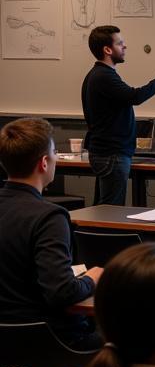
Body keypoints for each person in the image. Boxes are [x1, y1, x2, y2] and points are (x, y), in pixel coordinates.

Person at [0, 117, 102, 348]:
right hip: (48, 342)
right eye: (55, 152)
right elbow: (61, 292)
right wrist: (91, 279)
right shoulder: (49, 217)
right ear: (44, 163)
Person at [81, 24, 155, 205]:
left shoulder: (97, 74)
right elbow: (135, 96)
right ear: (107, 49)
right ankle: (105, 234)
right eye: (120, 43)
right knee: (110, 210)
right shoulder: (103, 76)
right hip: (112, 154)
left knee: (103, 208)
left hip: (107, 152)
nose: (125, 47)